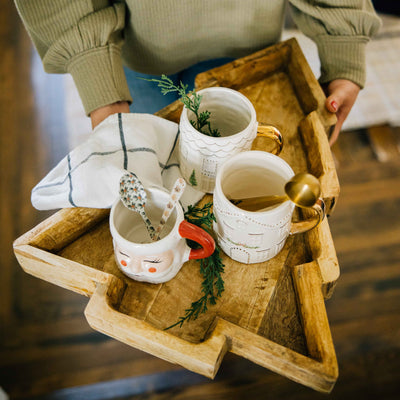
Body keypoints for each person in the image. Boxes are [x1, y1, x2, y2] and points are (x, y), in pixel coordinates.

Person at [14, 1, 381, 145]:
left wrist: (343, 45)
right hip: (138, 53)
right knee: (157, 148)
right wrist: (100, 85)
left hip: (248, 48)